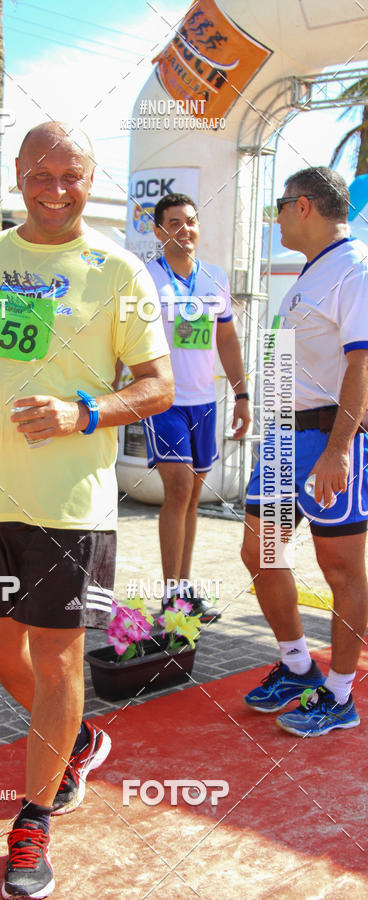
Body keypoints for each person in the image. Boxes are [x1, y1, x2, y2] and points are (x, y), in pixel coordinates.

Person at [0, 122, 173, 899]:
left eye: (73, 176)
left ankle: (32, 821)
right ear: (19, 176)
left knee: (61, 659)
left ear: (90, 180)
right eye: (42, 174)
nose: (57, 190)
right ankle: (77, 740)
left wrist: (84, 412)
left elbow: (157, 385)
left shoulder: (118, 268)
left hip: (73, 504)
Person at [241, 166, 368, 737]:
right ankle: (297, 665)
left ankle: (340, 695)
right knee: (260, 550)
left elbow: (363, 363)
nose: (276, 214)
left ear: (306, 206)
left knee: (341, 568)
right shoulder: (312, 271)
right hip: (286, 441)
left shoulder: (356, 268)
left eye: (281, 203)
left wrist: (339, 449)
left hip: (328, 439)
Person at [141, 193, 250, 621]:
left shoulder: (214, 277)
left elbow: (226, 339)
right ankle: (171, 595)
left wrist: (242, 396)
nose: (184, 229)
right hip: (162, 398)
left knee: (192, 499)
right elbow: (123, 338)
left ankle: (183, 590)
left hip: (205, 401)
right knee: (180, 489)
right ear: (157, 230)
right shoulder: (145, 277)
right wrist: (111, 391)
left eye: (190, 221)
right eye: (174, 223)